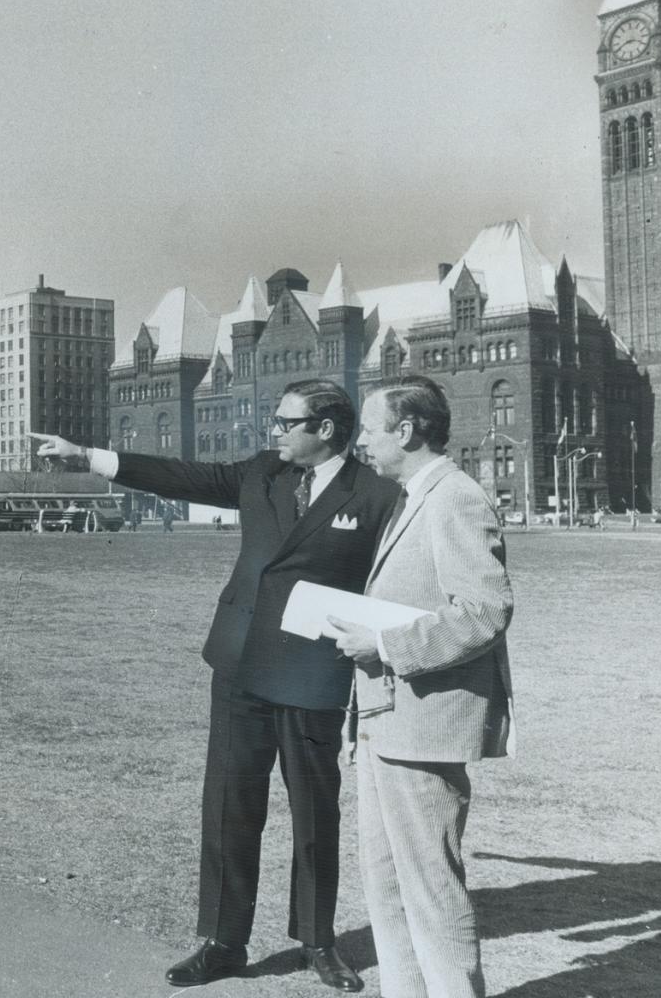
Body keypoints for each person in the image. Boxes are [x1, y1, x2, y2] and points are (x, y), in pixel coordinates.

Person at [33, 378, 400, 992]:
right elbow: (183, 477)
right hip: (239, 666)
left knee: (315, 812)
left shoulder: (378, 494)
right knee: (230, 806)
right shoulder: (261, 473)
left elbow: (392, 583)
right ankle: (224, 942)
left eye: (286, 423)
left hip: (313, 674)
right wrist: (88, 456)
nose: (273, 431)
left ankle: (317, 941)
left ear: (325, 430)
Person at [326, 375, 514, 998]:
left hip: (423, 725)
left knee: (430, 885)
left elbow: (484, 612)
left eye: (371, 433)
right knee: (385, 884)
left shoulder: (454, 496)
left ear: (406, 432)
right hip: (386, 721)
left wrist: (383, 645)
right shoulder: (410, 496)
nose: (362, 447)